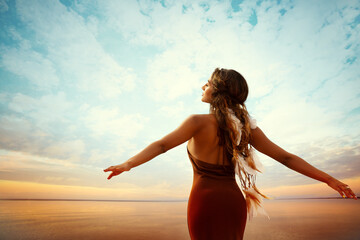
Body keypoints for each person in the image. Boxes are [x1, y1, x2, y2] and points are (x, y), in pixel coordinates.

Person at [104, 68, 357, 240]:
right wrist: (329, 179)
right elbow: (286, 158)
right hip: (233, 203)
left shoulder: (196, 121)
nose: (203, 86)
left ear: (217, 91)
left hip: (204, 202)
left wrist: (127, 164)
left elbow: (160, 146)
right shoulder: (247, 128)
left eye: (208, 83)